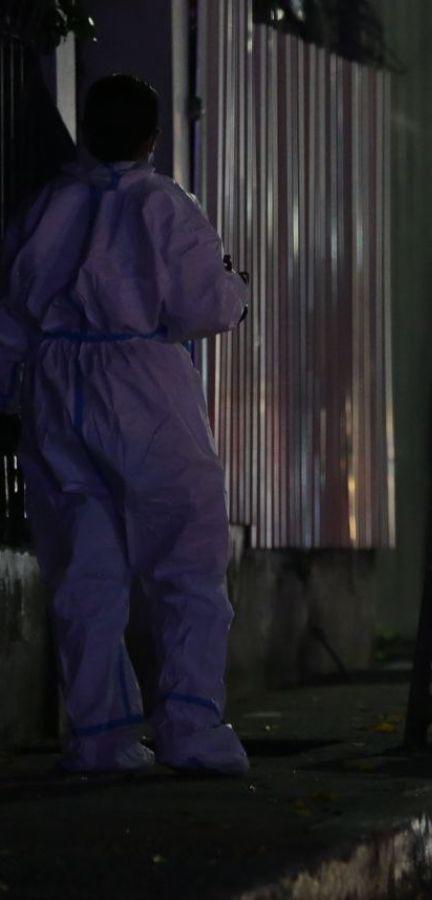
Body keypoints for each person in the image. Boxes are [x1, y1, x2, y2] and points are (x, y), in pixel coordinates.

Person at [0, 75, 250, 773]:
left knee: (84, 567)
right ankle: (192, 730)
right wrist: (239, 291)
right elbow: (208, 304)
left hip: (53, 387)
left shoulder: (46, 206)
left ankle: (101, 734)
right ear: (151, 136)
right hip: (142, 385)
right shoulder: (162, 205)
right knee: (187, 559)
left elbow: (10, 319)